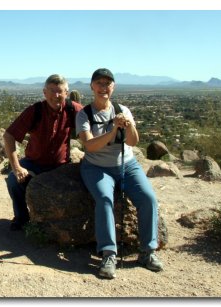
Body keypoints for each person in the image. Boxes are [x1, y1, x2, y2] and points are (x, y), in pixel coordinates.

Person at [75, 68, 163, 279]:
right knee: (105, 199)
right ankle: (108, 254)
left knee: (148, 198)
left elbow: (133, 142)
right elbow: (90, 146)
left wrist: (129, 126)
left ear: (113, 87)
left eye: (107, 84)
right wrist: (113, 131)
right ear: (92, 87)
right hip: (96, 166)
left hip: (127, 165)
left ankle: (147, 251)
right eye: (99, 83)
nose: (103, 88)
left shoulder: (122, 109)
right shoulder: (84, 114)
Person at [4, 74, 83, 231]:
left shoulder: (73, 109)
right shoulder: (35, 111)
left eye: (60, 91)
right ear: (44, 92)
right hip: (34, 162)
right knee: (14, 180)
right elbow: (9, 135)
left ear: (66, 93)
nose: (56, 95)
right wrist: (16, 166)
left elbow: (93, 129)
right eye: (52, 91)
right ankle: (22, 217)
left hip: (61, 166)